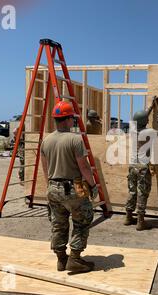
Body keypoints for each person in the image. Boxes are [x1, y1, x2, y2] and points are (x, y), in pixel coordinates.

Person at [40, 101, 98, 273]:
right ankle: (74, 258)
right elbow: (84, 167)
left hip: (53, 188)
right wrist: (93, 185)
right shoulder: (75, 139)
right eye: (72, 118)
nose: (73, 121)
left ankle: (61, 259)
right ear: (67, 119)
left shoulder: (46, 140)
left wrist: (50, 187)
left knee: (59, 223)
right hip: (73, 189)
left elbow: (45, 169)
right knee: (82, 220)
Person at [125, 96, 158, 230]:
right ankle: (140, 221)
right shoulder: (150, 132)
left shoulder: (132, 129)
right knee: (142, 192)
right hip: (142, 167)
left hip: (132, 166)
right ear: (146, 121)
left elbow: (141, 117)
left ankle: (128, 217)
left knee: (132, 191)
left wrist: (150, 107)